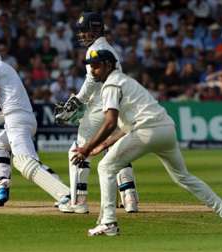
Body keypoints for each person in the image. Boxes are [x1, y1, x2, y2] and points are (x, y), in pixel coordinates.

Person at [71, 49, 222, 236]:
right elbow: (126, 126)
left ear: (108, 65)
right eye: (91, 66)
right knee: (184, 177)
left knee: (106, 167)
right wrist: (104, 145)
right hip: (166, 130)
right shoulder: (126, 81)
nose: (93, 70)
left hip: (146, 131)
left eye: (96, 66)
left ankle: (109, 222)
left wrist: (86, 149)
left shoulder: (111, 85)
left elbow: (110, 122)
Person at [0, 37, 70, 208]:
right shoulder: (4, 67)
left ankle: (65, 194)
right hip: (23, 118)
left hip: (17, 122)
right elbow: (12, 105)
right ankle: (1, 188)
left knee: (24, 162)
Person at [56, 12, 139, 214]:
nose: (82, 34)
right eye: (81, 31)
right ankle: (130, 199)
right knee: (115, 151)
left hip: (100, 107)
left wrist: (78, 100)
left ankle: (79, 201)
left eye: (85, 30)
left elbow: (93, 80)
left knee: (78, 150)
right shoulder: (109, 48)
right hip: (117, 105)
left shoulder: (95, 49)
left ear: (96, 29)